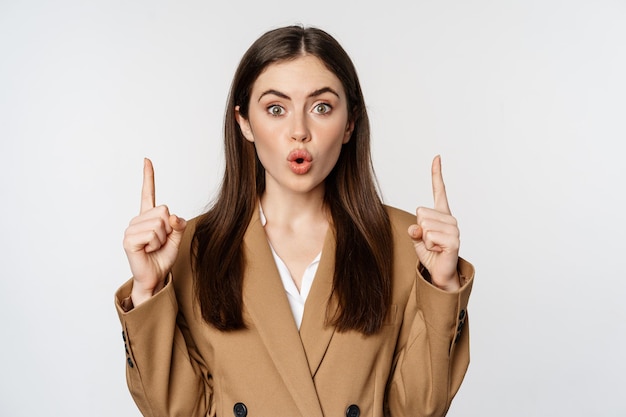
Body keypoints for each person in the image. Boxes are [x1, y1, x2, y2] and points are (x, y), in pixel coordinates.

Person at [116, 25, 474, 417]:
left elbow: (417, 410)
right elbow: (179, 412)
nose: (299, 131)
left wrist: (442, 285)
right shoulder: (192, 249)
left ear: (350, 123)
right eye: (275, 109)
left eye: (321, 107)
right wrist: (148, 291)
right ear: (244, 122)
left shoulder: (407, 244)